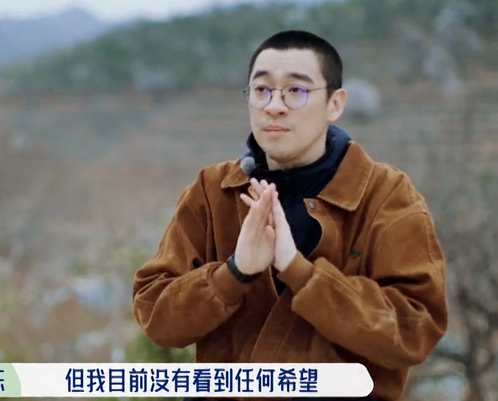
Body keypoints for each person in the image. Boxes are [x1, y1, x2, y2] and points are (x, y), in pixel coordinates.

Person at [131, 30, 448, 401]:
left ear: (335, 103)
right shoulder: (213, 191)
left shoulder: (385, 197)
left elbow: (415, 329)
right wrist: (234, 273)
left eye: (296, 91)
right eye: (261, 90)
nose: (274, 106)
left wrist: (300, 272)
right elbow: (155, 315)